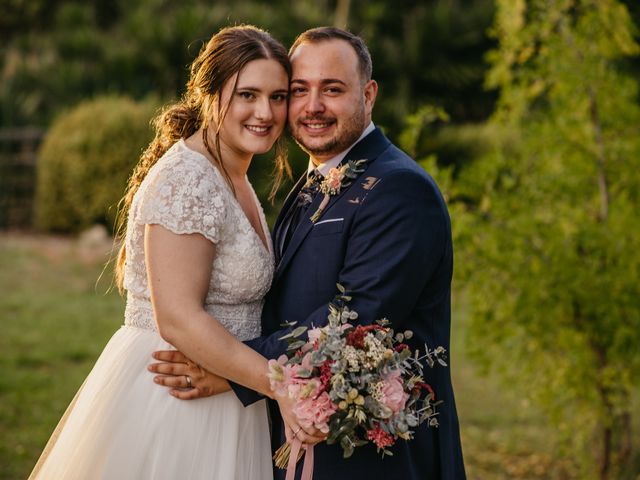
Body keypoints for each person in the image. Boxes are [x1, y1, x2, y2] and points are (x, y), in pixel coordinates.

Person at [152, 27, 467, 479]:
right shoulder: (311, 182)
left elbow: (358, 319)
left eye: (333, 89)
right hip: (305, 438)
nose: (313, 106)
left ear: (369, 94)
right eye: (299, 91)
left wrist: (233, 371)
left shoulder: (400, 189)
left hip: (379, 459)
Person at [28, 25, 307, 480]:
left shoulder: (234, 175)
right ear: (209, 95)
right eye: (248, 95)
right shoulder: (189, 179)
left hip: (224, 389)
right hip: (178, 399)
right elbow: (177, 317)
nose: (266, 112)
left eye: (278, 97)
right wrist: (282, 386)